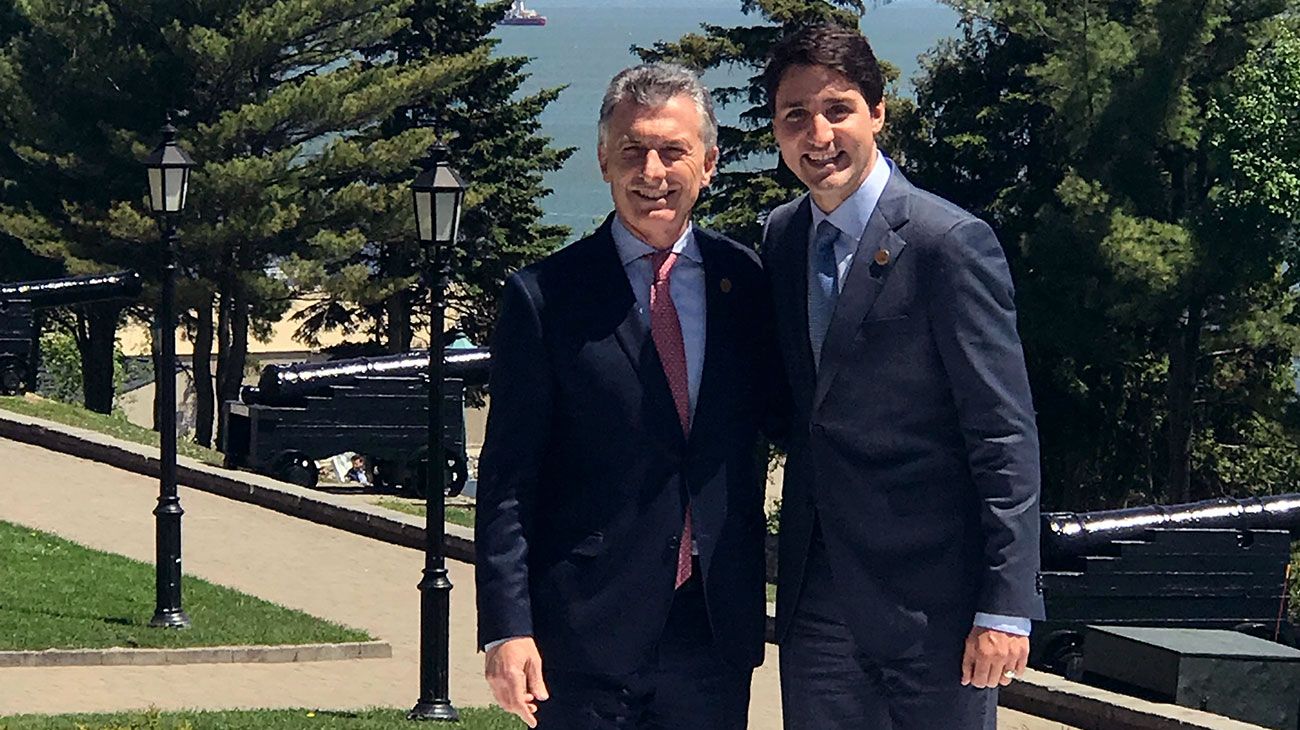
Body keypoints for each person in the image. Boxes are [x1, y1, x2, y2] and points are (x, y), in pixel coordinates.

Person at [475, 62, 777, 730]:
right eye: (633, 151)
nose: (653, 172)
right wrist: (506, 627)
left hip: (712, 634)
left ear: (709, 163)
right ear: (604, 161)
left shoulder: (747, 283)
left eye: (674, 152)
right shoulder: (545, 297)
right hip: (582, 634)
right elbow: (506, 480)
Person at [760, 23, 1045, 729]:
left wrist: (1005, 604)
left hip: (936, 610)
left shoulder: (948, 245)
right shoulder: (782, 237)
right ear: (775, 129)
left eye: (837, 109)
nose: (817, 133)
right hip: (817, 601)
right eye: (795, 115)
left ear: (879, 113)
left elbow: (1003, 432)